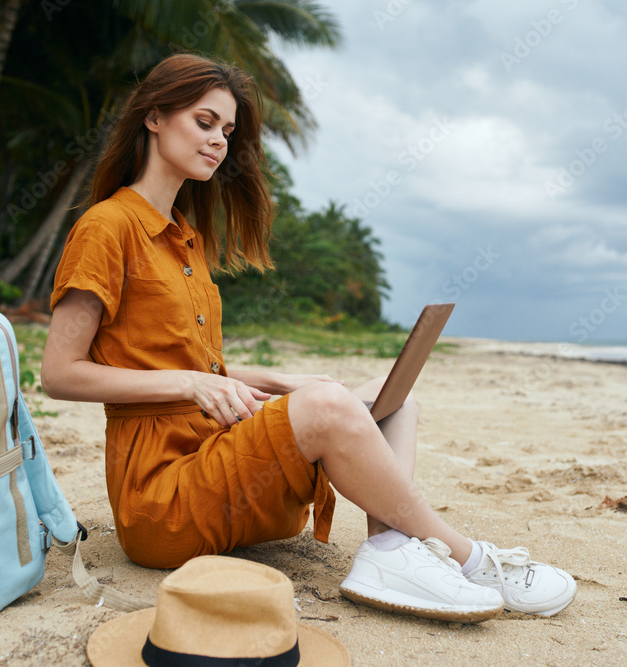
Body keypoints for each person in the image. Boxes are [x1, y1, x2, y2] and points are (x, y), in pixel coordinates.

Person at [42, 53, 576, 623]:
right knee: (327, 408)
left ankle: (389, 548)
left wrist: (280, 380)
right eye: (204, 122)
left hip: (216, 456)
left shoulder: (185, 239)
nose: (219, 141)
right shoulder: (107, 226)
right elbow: (59, 373)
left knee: (390, 400)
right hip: (162, 501)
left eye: (227, 130)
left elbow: (197, 365)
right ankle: (470, 558)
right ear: (153, 116)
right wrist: (194, 382)